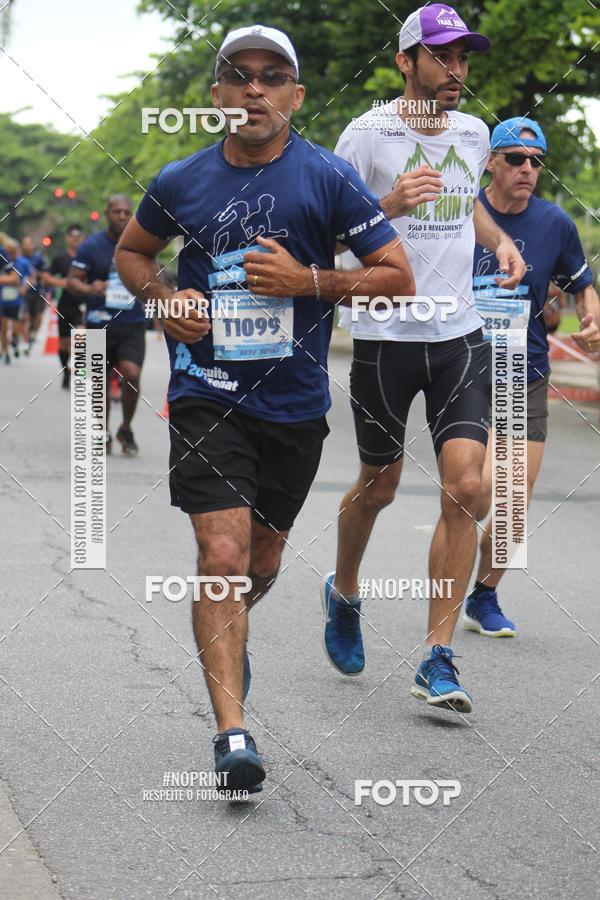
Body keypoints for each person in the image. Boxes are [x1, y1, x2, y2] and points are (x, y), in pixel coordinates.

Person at [116, 24, 415, 791]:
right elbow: (133, 254)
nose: (255, 88)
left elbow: (395, 276)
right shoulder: (181, 178)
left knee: (263, 559)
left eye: (272, 76)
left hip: (295, 406)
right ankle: (232, 733)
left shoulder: (328, 180)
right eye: (239, 75)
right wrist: (164, 298)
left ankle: (230, 628)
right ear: (216, 92)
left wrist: (308, 282)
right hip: (205, 394)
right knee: (221, 555)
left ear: (296, 95)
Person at [322, 3, 526, 713]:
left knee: (467, 488)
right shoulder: (367, 134)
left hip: (459, 337)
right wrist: (387, 201)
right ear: (405, 61)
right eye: (441, 57)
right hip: (384, 338)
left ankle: (438, 657)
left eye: (464, 58)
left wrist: (497, 239)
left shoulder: (472, 132)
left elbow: (467, 201)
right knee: (376, 488)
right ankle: (344, 589)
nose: (456, 71)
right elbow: (329, 239)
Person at [464, 117, 600, 635]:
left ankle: (485, 595)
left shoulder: (554, 224)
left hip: (525, 371)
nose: (528, 168)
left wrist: (591, 317)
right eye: (516, 159)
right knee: (474, 491)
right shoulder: (463, 212)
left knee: (515, 500)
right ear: (491, 163)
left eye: (536, 161)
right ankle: (453, 556)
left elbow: (582, 283)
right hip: (467, 368)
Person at [66, 196, 146, 454]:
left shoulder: (142, 243)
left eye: (126, 212)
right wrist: (91, 287)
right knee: (98, 382)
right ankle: (102, 430)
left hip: (131, 323)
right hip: (97, 324)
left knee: (131, 374)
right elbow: (72, 282)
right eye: (117, 212)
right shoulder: (91, 245)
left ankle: (126, 428)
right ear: (106, 214)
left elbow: (153, 275)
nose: (122, 216)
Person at [42, 224, 85, 388]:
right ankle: (66, 371)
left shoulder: (88, 257)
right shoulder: (60, 259)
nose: (76, 240)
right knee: (64, 345)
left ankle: (81, 374)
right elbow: (46, 277)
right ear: (67, 238)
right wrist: (65, 283)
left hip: (83, 304)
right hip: (65, 304)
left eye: (79, 237)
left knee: (81, 336)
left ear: (83, 238)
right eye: (73, 237)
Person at [20, 235, 47, 351]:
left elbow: (46, 275)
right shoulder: (19, 259)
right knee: (25, 316)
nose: (27, 246)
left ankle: (33, 334)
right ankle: (24, 338)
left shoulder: (39, 258)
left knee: (38, 315)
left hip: (38, 291)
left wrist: (36, 274)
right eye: (24, 243)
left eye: (28, 243)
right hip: (24, 291)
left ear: (32, 245)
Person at [0, 240, 23, 364]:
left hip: (16, 300)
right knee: (3, 328)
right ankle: (5, 353)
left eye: (12, 251)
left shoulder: (21, 262)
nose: (10, 253)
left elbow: (17, 279)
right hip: (2, 300)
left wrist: (23, 288)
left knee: (14, 329)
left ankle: (14, 340)